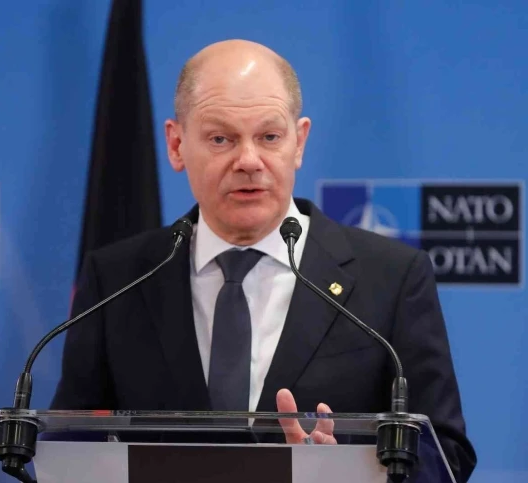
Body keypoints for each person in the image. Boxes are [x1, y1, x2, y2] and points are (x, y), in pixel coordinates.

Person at [50, 39, 476, 482]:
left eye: (269, 137)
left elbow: (446, 454)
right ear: (176, 145)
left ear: (299, 142)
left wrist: (349, 471)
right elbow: (69, 446)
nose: (249, 161)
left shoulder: (391, 277)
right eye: (221, 139)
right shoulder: (117, 278)